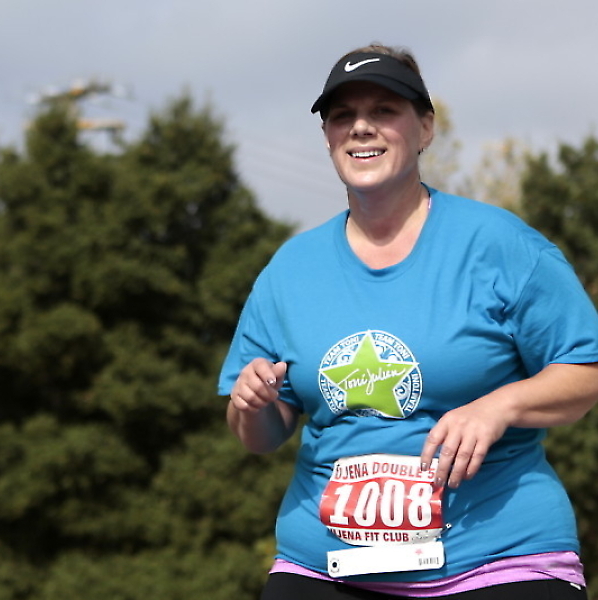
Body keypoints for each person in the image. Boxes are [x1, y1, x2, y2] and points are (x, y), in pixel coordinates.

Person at [218, 43, 598, 600]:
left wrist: (499, 406)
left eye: (384, 110)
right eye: (343, 115)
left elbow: (586, 370)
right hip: (325, 566)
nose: (360, 127)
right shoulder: (290, 269)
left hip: (497, 560)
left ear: (425, 128)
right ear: (327, 136)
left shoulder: (501, 245)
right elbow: (262, 435)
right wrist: (252, 404)